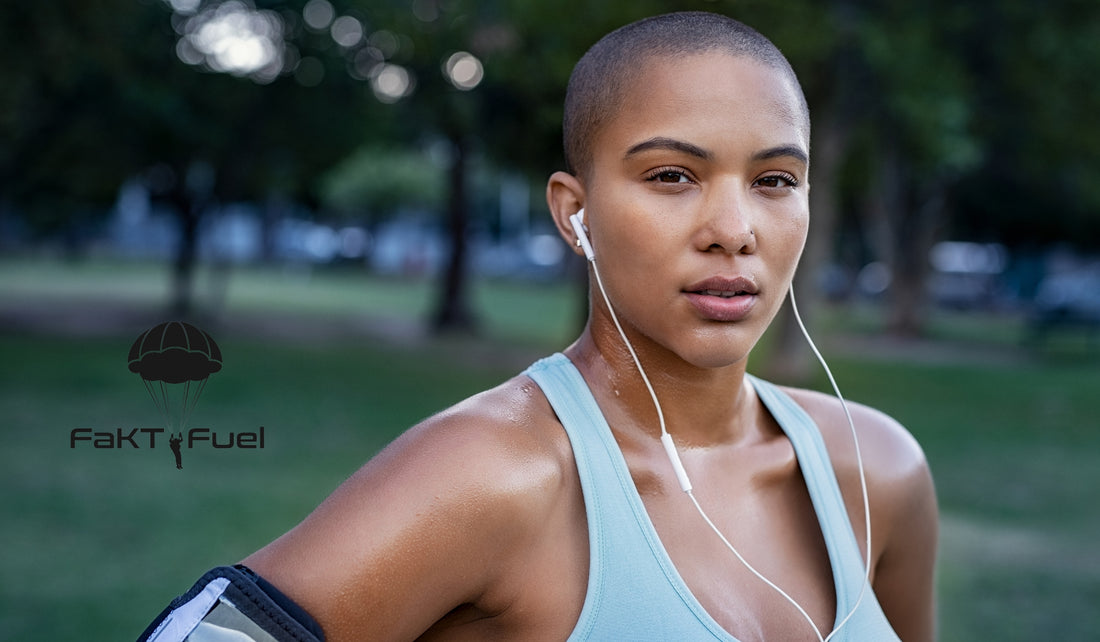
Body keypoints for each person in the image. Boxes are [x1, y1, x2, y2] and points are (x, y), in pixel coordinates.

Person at [145, 11, 938, 642]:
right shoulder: (491, 475)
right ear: (574, 211)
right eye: (672, 176)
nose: (734, 228)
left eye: (774, 180)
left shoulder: (879, 473)